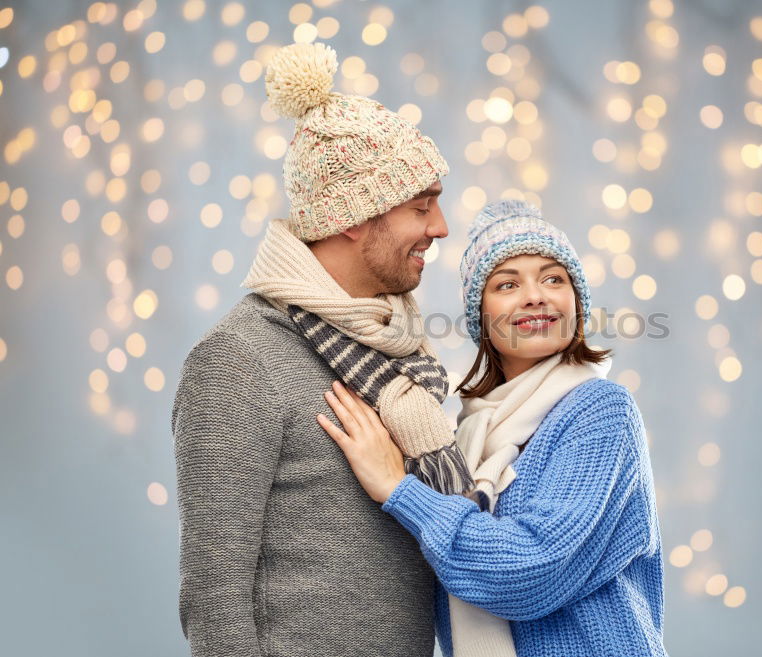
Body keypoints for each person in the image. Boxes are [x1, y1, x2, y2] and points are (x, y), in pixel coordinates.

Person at [171, 42, 479, 657]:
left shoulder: (391, 348)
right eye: (421, 207)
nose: (441, 227)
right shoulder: (239, 360)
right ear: (352, 219)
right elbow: (214, 602)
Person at [319, 200, 668, 656]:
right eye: (507, 284)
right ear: (481, 317)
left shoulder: (600, 411)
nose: (535, 295)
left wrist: (399, 490)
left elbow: (530, 570)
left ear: (576, 302)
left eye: (553, 278)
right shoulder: (467, 438)